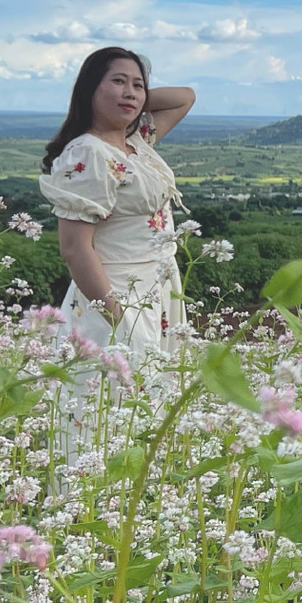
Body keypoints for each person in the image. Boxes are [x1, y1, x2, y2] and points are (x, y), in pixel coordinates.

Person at [37, 47, 197, 366]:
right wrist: (118, 320)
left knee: (152, 402)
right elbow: (74, 249)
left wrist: (129, 100)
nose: (131, 92)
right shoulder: (88, 153)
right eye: (118, 81)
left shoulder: (135, 142)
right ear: (90, 87)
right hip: (116, 294)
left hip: (158, 289)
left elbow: (185, 97)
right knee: (114, 400)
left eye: (139, 85)